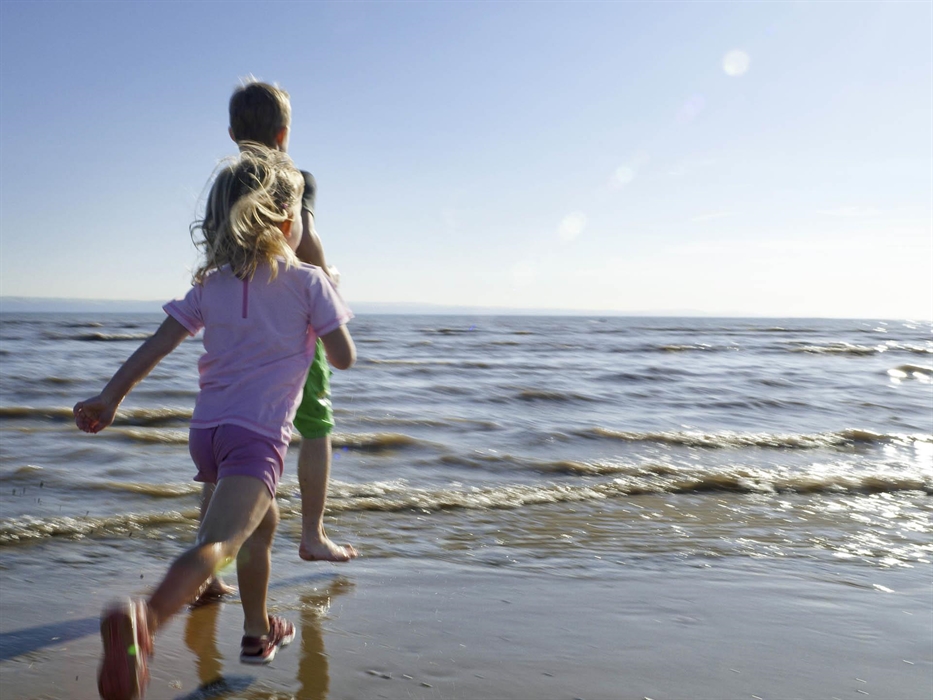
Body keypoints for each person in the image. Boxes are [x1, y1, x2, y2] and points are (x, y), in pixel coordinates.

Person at [74, 146, 355, 700]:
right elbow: (342, 357)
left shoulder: (213, 285)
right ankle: (146, 621)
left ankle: (256, 632)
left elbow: (158, 343)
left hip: (208, 435)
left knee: (264, 523)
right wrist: (327, 301)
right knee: (221, 542)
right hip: (256, 439)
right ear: (285, 220)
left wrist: (111, 397)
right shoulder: (308, 282)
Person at [195, 81, 355, 611]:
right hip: (289, 319)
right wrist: (325, 279)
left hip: (232, 323)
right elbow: (304, 244)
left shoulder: (225, 182)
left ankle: (211, 566)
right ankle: (311, 534)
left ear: (232, 133)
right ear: (284, 133)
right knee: (315, 424)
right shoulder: (292, 180)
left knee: (225, 447)